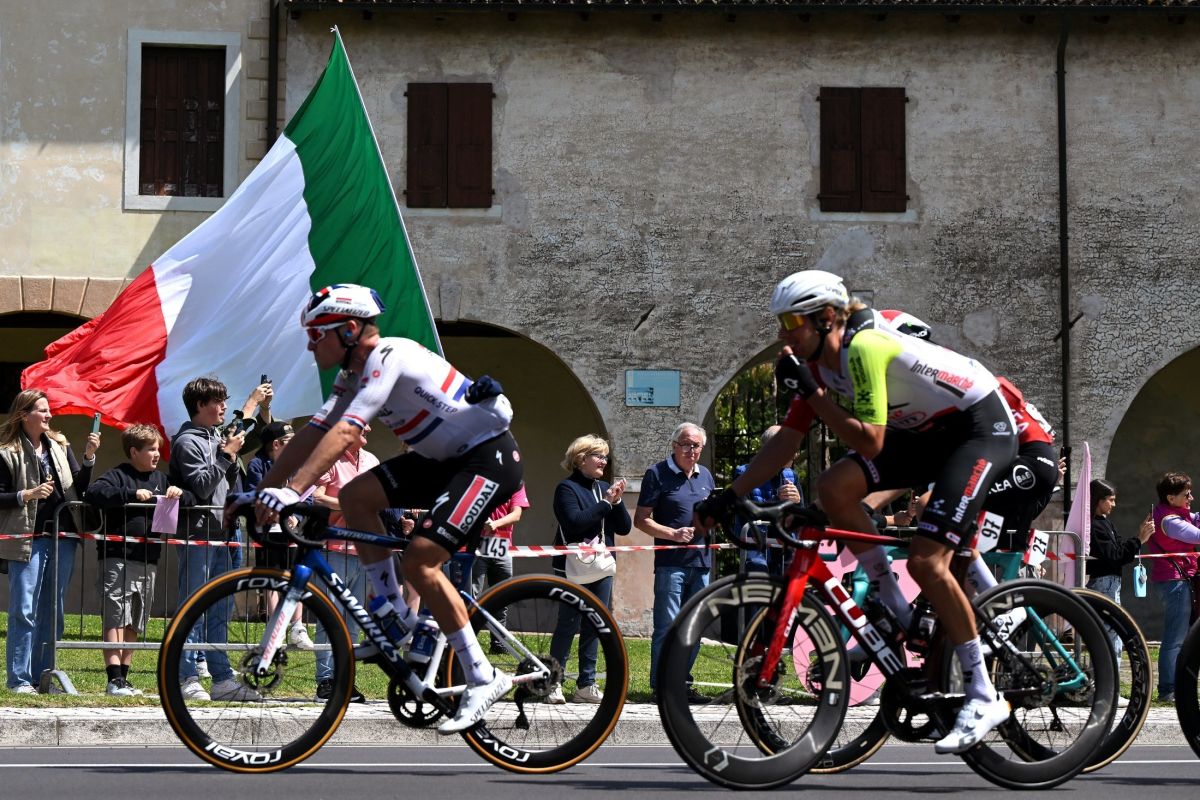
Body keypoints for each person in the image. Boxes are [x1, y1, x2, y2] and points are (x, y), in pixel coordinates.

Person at [696, 270, 1017, 753]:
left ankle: (983, 693)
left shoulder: (863, 346)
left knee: (927, 560)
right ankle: (893, 600)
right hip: (927, 435)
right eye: (780, 323)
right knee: (833, 487)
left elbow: (870, 441)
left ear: (827, 318)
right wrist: (727, 495)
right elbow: (786, 443)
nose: (782, 334)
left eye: (791, 322)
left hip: (977, 429)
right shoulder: (817, 364)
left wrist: (811, 393)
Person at [254, 284, 521, 734]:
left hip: (486, 460)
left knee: (421, 560)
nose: (310, 345)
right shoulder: (351, 376)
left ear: (349, 329)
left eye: (316, 334)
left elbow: (345, 431)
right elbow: (313, 432)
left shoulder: (388, 355)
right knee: (356, 497)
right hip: (444, 461)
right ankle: (394, 613)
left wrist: (293, 489)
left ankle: (483, 675)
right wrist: (262, 490)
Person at [0, 389, 100, 694]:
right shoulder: (6, 452)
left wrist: (89, 457)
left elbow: (77, 487)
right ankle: (19, 679)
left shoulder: (59, 445)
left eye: (48, 410)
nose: (49, 415)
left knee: (52, 611)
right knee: (24, 609)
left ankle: (42, 678)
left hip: (62, 537)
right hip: (28, 539)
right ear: (24, 415)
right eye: (42, 410)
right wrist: (26, 495)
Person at [168, 376, 259, 703]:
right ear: (200, 405)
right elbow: (203, 486)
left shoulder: (216, 437)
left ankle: (221, 679)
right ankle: (186, 677)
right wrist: (225, 456)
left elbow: (226, 483)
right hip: (199, 534)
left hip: (224, 533)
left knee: (220, 608)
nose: (223, 407)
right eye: (218, 402)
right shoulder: (187, 442)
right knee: (193, 605)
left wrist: (230, 458)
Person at [84, 424, 192, 696]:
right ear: (134, 452)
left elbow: (191, 499)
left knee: (135, 619)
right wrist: (130, 495)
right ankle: (113, 679)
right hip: (117, 558)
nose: (157, 454)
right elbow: (95, 493)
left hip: (148, 560)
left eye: (158, 449)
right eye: (151, 449)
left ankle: (124, 678)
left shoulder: (162, 479)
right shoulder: (118, 475)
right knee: (116, 616)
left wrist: (179, 493)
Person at [309, 422, 397, 702]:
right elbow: (317, 497)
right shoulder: (332, 458)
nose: (369, 430)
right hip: (334, 550)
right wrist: (349, 504)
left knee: (353, 621)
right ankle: (325, 681)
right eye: (364, 426)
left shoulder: (371, 460)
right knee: (329, 618)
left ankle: (345, 679)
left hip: (364, 550)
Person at [636, 422, 716, 703]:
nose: (690, 450)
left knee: (695, 627)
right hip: (671, 564)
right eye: (685, 444)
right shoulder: (657, 474)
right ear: (674, 445)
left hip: (702, 563)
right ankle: (661, 686)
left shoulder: (706, 475)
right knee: (667, 627)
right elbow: (641, 519)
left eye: (696, 445)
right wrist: (673, 534)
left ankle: (682, 683)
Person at [548, 435, 630, 704]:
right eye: (598, 456)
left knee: (594, 622)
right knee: (568, 623)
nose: (604, 462)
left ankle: (586, 684)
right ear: (581, 459)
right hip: (571, 566)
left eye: (605, 457)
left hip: (601, 565)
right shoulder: (566, 488)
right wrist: (605, 503)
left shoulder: (604, 488)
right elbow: (574, 523)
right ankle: (554, 682)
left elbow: (624, 528)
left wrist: (617, 502)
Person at [244, 420, 313, 650]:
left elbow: (308, 497)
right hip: (268, 532)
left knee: (296, 578)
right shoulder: (257, 464)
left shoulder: (296, 465)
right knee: (272, 581)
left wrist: (297, 517)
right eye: (290, 442)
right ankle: (276, 629)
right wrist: (275, 513)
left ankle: (297, 627)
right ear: (276, 444)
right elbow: (254, 494)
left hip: (293, 533)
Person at [1085, 478, 1153, 660]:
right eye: (1111, 500)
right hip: (1104, 583)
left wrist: (1139, 537)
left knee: (1113, 632)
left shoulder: (1106, 523)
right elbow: (1114, 556)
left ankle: (1110, 674)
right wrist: (1139, 539)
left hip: (1111, 583)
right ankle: (1107, 674)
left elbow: (1120, 551)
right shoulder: (1094, 526)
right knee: (1109, 632)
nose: (1114, 505)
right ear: (1098, 500)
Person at [1147, 471, 1200, 703]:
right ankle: (1168, 690)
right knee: (1175, 638)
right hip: (1174, 582)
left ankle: (1177, 687)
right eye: (1186, 495)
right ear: (1171, 498)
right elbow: (1197, 535)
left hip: (1176, 580)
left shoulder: (1172, 513)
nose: (1191, 498)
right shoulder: (1170, 521)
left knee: (1183, 638)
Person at [731, 425, 803, 575]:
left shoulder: (792, 475)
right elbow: (744, 513)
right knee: (760, 582)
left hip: (783, 545)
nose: (795, 454)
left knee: (788, 585)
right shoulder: (744, 474)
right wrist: (777, 499)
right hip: (755, 543)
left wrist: (797, 502)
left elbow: (801, 517)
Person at [471, 484, 530, 635]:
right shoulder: (480, 480)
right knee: (471, 597)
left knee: (501, 599)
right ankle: (467, 641)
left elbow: (516, 514)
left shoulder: (516, 483)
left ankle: (498, 643)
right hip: (477, 545)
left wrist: (495, 524)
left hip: (503, 547)